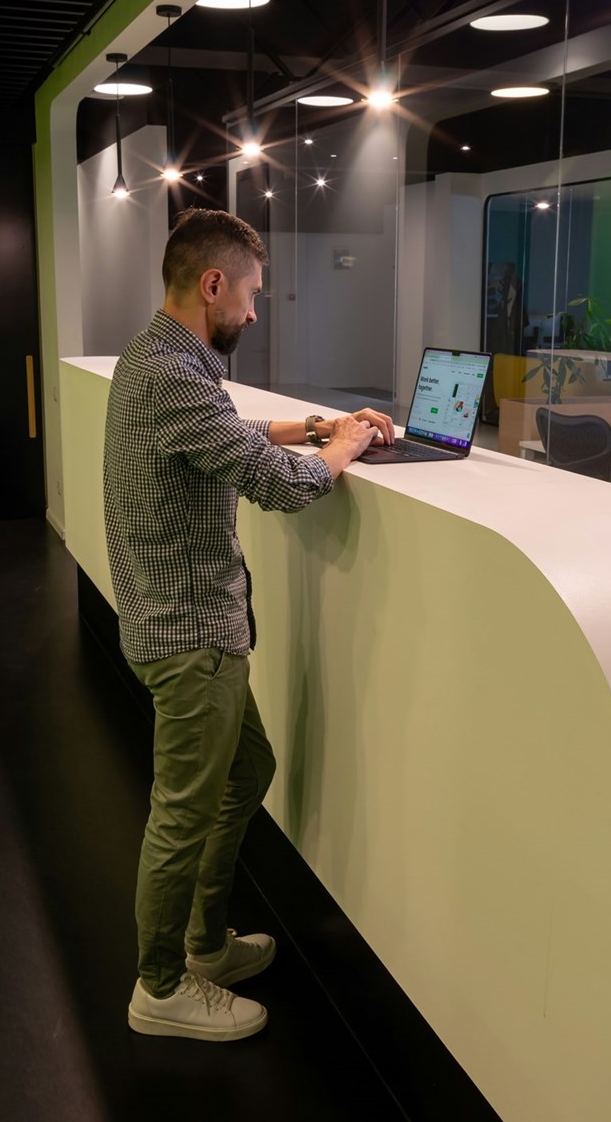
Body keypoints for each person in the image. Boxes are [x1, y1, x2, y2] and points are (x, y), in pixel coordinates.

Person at [103, 207, 394, 1042]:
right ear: (213, 284)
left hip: (194, 623)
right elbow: (281, 486)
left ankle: (203, 943)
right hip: (188, 633)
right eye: (252, 296)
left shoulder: (163, 356)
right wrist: (346, 448)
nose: (255, 314)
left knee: (245, 770)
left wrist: (317, 425)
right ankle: (160, 984)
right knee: (185, 808)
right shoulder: (171, 372)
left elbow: (227, 434)